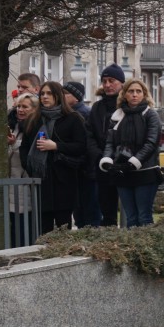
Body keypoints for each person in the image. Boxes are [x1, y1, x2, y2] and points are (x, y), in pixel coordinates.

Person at [20, 81, 88, 234]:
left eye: (49, 93)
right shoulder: (34, 119)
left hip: (63, 178)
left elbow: (81, 146)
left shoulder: (73, 118)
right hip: (41, 179)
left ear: (58, 96)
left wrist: (56, 146)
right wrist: (30, 167)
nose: (44, 97)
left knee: (63, 226)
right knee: (44, 228)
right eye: (42, 94)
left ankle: (62, 257)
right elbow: (24, 147)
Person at [100, 79, 162, 227]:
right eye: (131, 91)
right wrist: (107, 159)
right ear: (124, 94)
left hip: (146, 171)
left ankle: (148, 249)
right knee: (130, 218)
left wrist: (134, 162)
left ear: (144, 95)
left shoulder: (150, 115)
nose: (134, 94)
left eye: (138, 91)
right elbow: (110, 142)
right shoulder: (117, 116)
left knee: (144, 217)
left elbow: (151, 142)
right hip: (122, 172)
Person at [87, 63, 126, 226]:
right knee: (107, 211)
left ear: (121, 83)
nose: (107, 85)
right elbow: (89, 135)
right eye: (104, 81)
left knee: (130, 209)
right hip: (102, 165)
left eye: (112, 81)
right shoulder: (97, 108)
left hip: (124, 164)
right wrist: (99, 156)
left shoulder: (127, 106)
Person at [63, 81, 98, 228]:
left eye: (65, 94)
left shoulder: (81, 114)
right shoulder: (72, 113)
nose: (62, 97)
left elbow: (85, 143)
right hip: (82, 168)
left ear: (76, 97)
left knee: (87, 209)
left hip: (85, 169)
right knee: (82, 209)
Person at [7, 93, 40, 245]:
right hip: (12, 185)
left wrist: (14, 145)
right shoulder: (15, 128)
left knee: (23, 229)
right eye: (19, 106)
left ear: (35, 109)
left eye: (25, 107)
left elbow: (30, 155)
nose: (20, 110)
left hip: (24, 184)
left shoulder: (35, 128)